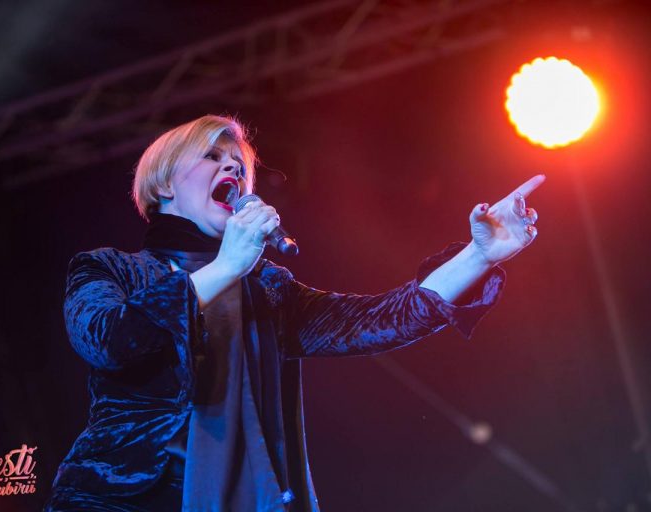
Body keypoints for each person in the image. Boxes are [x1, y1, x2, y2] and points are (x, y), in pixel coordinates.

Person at [45, 115, 544, 511]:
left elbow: (379, 320)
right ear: (164, 185)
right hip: (127, 497)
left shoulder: (267, 288)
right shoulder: (111, 269)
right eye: (212, 157)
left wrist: (479, 255)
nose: (232, 170)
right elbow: (108, 341)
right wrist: (227, 266)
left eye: (238, 165)